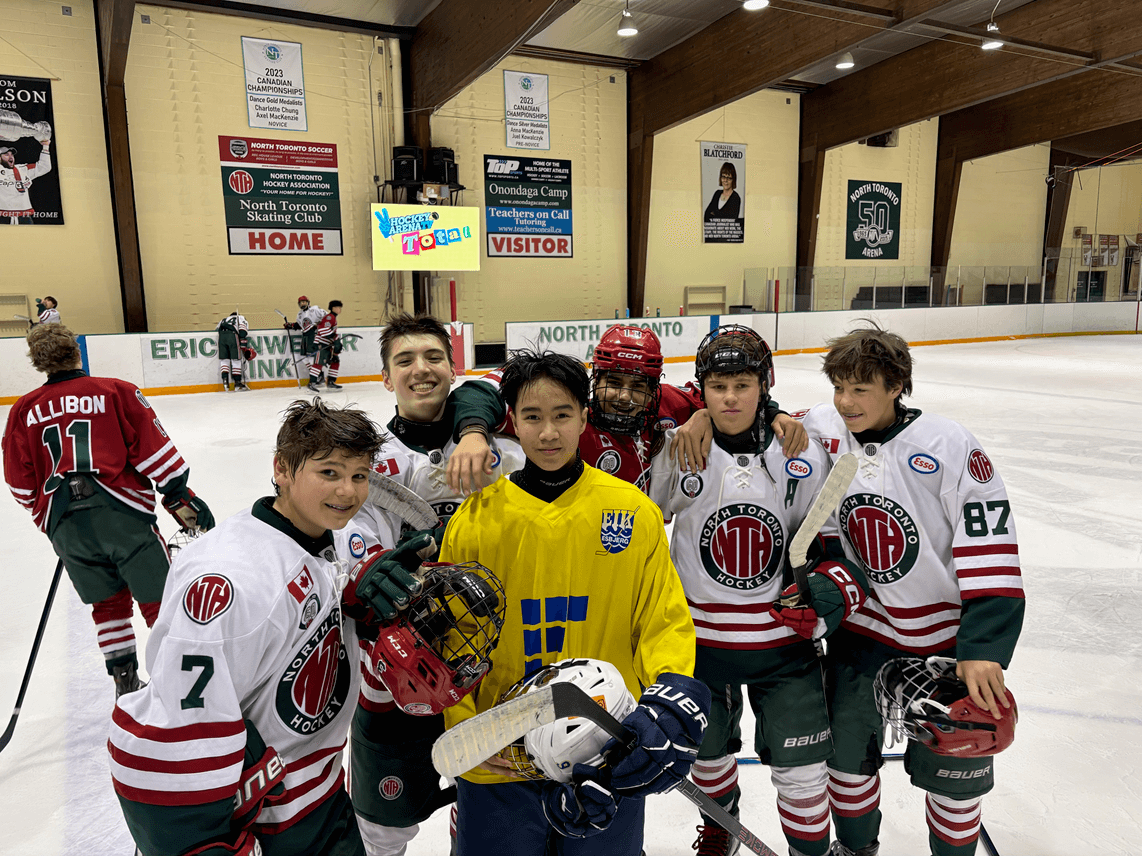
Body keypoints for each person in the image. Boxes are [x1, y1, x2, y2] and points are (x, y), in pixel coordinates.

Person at [108, 398, 427, 856]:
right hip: (263, 820)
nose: (348, 491)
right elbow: (172, 733)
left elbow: (329, 580)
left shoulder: (337, 532)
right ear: (282, 468)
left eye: (360, 476)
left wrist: (360, 592)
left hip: (321, 797)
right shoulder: (228, 579)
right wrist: (199, 845)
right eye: (330, 472)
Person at [439, 349, 711, 856]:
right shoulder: (475, 520)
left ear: (584, 418)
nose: (548, 433)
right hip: (502, 757)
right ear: (512, 422)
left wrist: (665, 701)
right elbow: (453, 641)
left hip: (605, 752)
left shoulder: (633, 511)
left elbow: (661, 620)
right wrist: (467, 732)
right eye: (532, 417)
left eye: (562, 415)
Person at [796, 323, 1023, 856]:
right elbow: (763, 419)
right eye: (839, 388)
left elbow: (989, 543)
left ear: (896, 386)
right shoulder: (824, 426)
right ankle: (855, 849)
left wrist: (985, 646)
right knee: (846, 761)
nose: (845, 402)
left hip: (945, 644)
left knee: (956, 770)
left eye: (860, 389)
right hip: (862, 635)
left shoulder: (948, 444)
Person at [648, 325, 868, 856]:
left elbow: (830, 539)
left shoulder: (800, 449)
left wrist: (827, 592)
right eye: (718, 386)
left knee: (804, 772)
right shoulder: (681, 449)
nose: (730, 398)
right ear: (702, 390)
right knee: (706, 758)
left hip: (783, 645)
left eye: (742, 385)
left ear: (763, 386)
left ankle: (809, 850)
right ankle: (720, 828)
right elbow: (644, 526)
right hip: (700, 644)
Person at [341, 312, 524, 856]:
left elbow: (499, 382)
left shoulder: (503, 449)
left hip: (488, 663)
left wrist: (474, 431)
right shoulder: (367, 462)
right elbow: (348, 554)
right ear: (385, 378)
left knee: (481, 805)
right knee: (381, 827)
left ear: (452, 366)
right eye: (404, 361)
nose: (420, 369)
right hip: (394, 677)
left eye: (433, 357)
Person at [2, 324, 215, 697]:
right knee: (159, 599)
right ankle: (183, 682)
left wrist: (54, 520)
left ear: (39, 363)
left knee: (107, 604)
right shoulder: (116, 391)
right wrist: (179, 497)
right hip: (122, 515)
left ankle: (125, 684)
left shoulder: (23, 410)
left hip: (65, 525)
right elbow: (153, 449)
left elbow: (20, 484)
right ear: (77, 351)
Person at [444, 324, 807, 497]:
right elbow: (478, 391)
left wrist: (773, 413)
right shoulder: (566, 414)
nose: (624, 397)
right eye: (614, 382)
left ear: (654, 387)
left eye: (638, 387)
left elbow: (729, 399)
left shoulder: (669, 403)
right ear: (596, 378)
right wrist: (473, 433)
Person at [0, 122, 51, 225]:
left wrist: (45, 146)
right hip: (2, 217)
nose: (10, 156)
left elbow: (44, 167)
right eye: (6, 154)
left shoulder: (23, 169)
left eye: (11, 154)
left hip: (24, 217)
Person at [284, 294, 325, 378]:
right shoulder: (299, 314)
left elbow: (327, 317)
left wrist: (318, 325)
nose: (302, 303)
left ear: (308, 302)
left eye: (304, 302)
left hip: (313, 335)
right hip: (305, 336)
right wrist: (291, 325)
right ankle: (319, 374)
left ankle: (316, 376)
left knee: (311, 357)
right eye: (301, 302)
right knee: (303, 358)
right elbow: (300, 325)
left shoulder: (315, 309)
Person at [310, 299, 344, 392]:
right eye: (338, 307)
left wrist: (335, 340)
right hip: (322, 344)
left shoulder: (333, 318)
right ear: (333, 308)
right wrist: (334, 338)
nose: (339, 309)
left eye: (340, 307)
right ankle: (312, 383)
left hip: (328, 344)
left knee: (335, 361)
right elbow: (322, 330)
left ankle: (331, 382)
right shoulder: (329, 317)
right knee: (319, 363)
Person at [216, 310, 250, 392]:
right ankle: (237, 383)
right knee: (236, 360)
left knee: (224, 360)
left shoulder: (223, 319)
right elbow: (243, 332)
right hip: (232, 336)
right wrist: (243, 342)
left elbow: (218, 329)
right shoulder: (240, 318)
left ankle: (225, 381)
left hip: (221, 338)